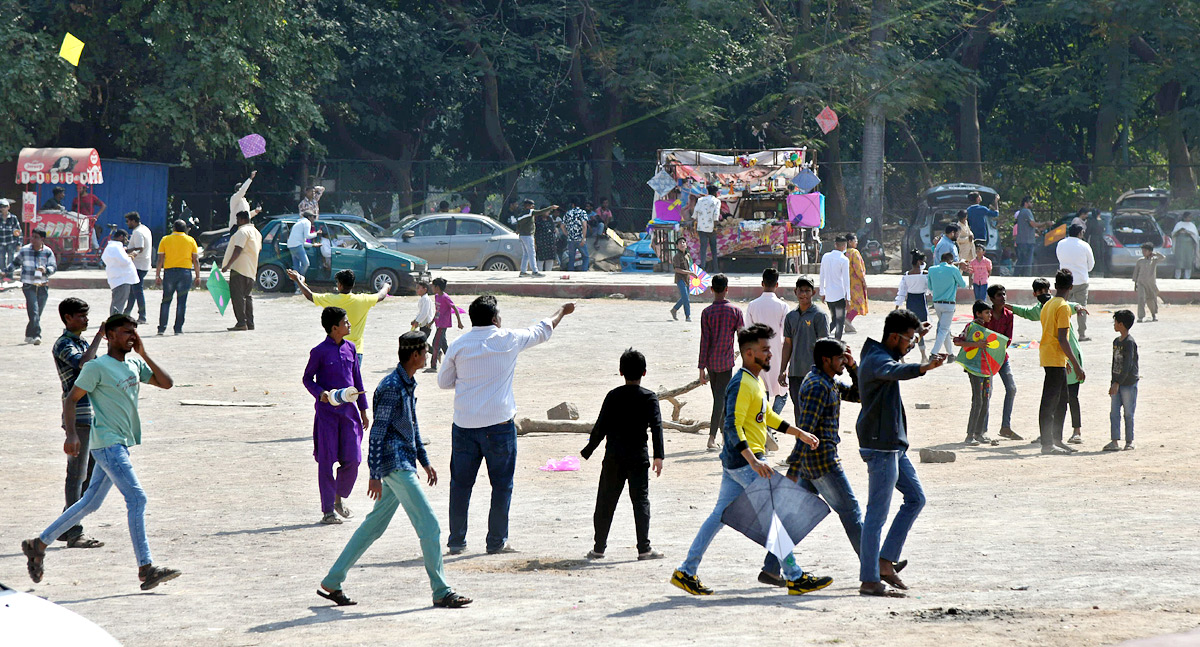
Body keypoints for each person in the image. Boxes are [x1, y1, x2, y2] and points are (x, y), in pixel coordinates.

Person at [22, 313, 181, 591]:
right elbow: (71, 399)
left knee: (90, 504)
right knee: (137, 499)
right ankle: (146, 568)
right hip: (107, 443)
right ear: (108, 335)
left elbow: (166, 383)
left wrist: (144, 352)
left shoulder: (133, 362)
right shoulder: (97, 367)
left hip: (120, 442)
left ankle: (38, 544)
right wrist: (71, 434)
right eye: (124, 331)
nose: (131, 335)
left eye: (133, 331)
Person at [317, 332, 472, 609]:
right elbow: (377, 433)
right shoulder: (391, 386)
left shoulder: (406, 383)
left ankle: (333, 580)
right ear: (415, 355)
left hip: (402, 463)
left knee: (372, 528)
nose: (428, 356)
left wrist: (424, 460)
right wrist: (374, 474)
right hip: (395, 466)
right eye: (426, 352)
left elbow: (411, 426)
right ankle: (441, 590)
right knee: (430, 526)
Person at [670, 324, 825, 597]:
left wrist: (798, 432)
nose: (770, 355)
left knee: (719, 516)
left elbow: (767, 417)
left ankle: (686, 571)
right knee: (774, 517)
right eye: (765, 350)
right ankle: (795, 576)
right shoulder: (741, 382)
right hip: (745, 463)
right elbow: (731, 425)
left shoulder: (755, 381)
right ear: (749, 353)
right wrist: (753, 461)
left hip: (738, 463)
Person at [438, 297, 575, 555]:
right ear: (494, 319)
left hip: (464, 425)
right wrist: (563, 311)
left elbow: (444, 382)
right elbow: (543, 329)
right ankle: (496, 541)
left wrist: (470, 381)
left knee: (460, 485)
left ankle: (457, 541)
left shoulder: (458, 345)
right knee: (501, 485)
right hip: (499, 425)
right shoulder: (509, 338)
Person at [760, 338, 863, 588]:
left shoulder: (827, 380)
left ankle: (771, 569)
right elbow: (805, 429)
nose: (842, 361)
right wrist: (793, 471)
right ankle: (875, 565)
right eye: (839, 358)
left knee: (794, 518)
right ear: (826, 360)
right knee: (851, 512)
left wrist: (853, 367)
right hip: (822, 461)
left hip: (812, 463)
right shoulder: (817, 385)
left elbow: (859, 395)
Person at [857, 309, 945, 597]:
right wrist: (922, 368)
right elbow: (894, 370)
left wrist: (918, 334)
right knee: (876, 515)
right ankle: (870, 579)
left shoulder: (883, 352)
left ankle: (885, 561)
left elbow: (896, 361)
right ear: (893, 337)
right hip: (881, 446)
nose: (911, 344)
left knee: (916, 498)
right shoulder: (877, 360)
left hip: (894, 445)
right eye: (909, 339)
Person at [580, 348, 665, 561]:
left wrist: (588, 450)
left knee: (605, 501)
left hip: (614, 458)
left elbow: (601, 427)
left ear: (621, 372)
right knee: (641, 502)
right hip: (638, 458)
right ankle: (644, 549)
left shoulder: (613, 396)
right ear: (644, 372)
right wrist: (659, 456)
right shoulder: (649, 398)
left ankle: (599, 548)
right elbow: (656, 427)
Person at [303, 307, 369, 525]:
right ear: (334, 328)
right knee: (326, 461)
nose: (349, 325)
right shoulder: (319, 352)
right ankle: (328, 510)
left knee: (354, 459)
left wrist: (363, 410)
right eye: (346, 322)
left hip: (349, 414)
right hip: (327, 415)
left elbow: (357, 381)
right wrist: (320, 393)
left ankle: (339, 497)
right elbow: (307, 379)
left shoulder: (351, 348)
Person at [51, 297, 106, 549]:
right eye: (80, 316)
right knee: (76, 475)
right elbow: (83, 364)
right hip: (78, 416)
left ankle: (66, 524)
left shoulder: (80, 341)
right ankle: (74, 531)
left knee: (90, 475)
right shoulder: (64, 344)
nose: (85, 319)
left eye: (86, 315)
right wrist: (98, 337)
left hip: (91, 414)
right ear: (67, 318)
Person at [290, 268, 389, 364]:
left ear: (340, 285)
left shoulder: (331, 299)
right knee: (352, 380)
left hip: (336, 349)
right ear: (353, 284)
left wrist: (298, 280)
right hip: (356, 350)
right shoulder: (363, 300)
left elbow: (310, 296)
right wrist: (386, 286)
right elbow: (381, 295)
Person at [1037, 269, 1086, 455]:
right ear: (1071, 287)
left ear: (1056, 286)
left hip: (1052, 356)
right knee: (1050, 402)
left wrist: (1065, 359)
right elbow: (1063, 338)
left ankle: (1056, 439)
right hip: (1054, 357)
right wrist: (1076, 364)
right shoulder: (1064, 307)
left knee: (1062, 399)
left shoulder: (1049, 304)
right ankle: (1048, 444)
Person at [698, 273, 744, 451]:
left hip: (711, 363)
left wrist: (701, 368)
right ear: (726, 289)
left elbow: (704, 341)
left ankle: (723, 437)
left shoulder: (707, 312)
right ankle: (712, 438)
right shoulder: (735, 311)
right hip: (726, 362)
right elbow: (742, 337)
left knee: (719, 398)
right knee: (721, 400)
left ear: (711, 290)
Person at [779, 277, 831, 412]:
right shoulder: (791, 316)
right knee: (798, 411)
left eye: (807, 291)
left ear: (813, 293)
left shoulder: (819, 315)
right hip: (795, 373)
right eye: (801, 290)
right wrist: (783, 369)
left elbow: (824, 346)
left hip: (813, 373)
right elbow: (787, 344)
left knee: (813, 413)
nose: (803, 294)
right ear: (795, 292)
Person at [747, 268, 791, 414]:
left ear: (762, 283)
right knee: (783, 393)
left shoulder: (752, 305)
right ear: (777, 285)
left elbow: (748, 332)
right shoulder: (783, 306)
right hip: (777, 354)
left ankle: (764, 424)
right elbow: (786, 335)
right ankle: (771, 424)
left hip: (757, 355)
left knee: (762, 392)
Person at [954, 300, 996, 446]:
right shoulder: (971, 327)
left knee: (986, 399)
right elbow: (958, 341)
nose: (989, 315)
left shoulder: (986, 327)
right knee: (977, 401)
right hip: (974, 369)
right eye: (986, 312)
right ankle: (970, 435)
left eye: (990, 312)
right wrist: (976, 345)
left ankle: (979, 433)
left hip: (986, 369)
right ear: (978, 314)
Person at [3, 228, 55, 344]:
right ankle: (37, 335)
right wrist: (5, 272)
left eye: (36, 237)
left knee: (38, 312)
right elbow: (15, 263)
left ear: (42, 239)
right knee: (34, 309)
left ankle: (29, 334)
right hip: (28, 284)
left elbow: (53, 266)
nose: (33, 239)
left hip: (42, 284)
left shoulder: (48, 252)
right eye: (32, 237)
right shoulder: (25, 250)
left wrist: (45, 270)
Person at [984, 285, 1022, 440]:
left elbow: (1008, 339)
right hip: (986, 358)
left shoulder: (1008, 315)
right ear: (992, 299)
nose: (1003, 297)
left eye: (1004, 294)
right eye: (999, 295)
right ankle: (983, 430)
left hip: (1001, 357)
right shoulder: (987, 314)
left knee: (1011, 388)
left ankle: (1005, 426)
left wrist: (998, 347)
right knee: (987, 393)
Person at [155, 220, 201, 335]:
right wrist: (197, 276)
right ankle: (178, 329)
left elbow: (160, 259)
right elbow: (195, 260)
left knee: (166, 301)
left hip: (169, 272)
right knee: (181, 302)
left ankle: (162, 328)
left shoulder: (165, 239)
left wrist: (158, 275)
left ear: (173, 228)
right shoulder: (190, 240)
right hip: (185, 272)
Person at [221, 211, 262, 331]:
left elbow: (238, 249)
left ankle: (241, 323)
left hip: (239, 268)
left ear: (243, 220)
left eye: (238, 220)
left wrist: (227, 265)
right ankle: (250, 323)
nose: (237, 223)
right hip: (251, 269)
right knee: (247, 297)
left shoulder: (242, 232)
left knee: (237, 296)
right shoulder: (257, 233)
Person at [1106, 310, 1138, 452]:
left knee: (1128, 413)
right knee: (1114, 413)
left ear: (1122, 325)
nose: (1114, 325)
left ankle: (1129, 441)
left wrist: (1117, 383)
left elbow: (1127, 365)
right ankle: (1114, 441)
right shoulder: (1116, 342)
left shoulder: (1130, 343)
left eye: (1116, 322)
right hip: (1117, 383)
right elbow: (1115, 364)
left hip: (1128, 383)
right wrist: (1113, 382)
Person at [1056, 224, 1095, 340]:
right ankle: (1082, 334)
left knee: (1061, 307)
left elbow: (1059, 258)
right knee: (1081, 308)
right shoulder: (1084, 245)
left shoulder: (1061, 244)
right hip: (1081, 281)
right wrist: (1083, 270)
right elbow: (1091, 265)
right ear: (1080, 233)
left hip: (1064, 280)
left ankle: (1060, 332)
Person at [927, 251, 966, 359]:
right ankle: (934, 353)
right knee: (944, 329)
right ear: (951, 261)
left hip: (936, 303)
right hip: (949, 304)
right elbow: (963, 284)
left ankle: (951, 354)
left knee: (945, 329)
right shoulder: (953, 269)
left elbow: (930, 286)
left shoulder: (931, 269)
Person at [894, 250, 931, 362]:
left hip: (911, 301)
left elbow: (902, 292)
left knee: (909, 329)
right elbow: (930, 290)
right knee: (921, 330)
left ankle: (902, 355)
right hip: (921, 301)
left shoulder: (906, 275)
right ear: (920, 262)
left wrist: (897, 305)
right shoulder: (925, 275)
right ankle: (923, 355)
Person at [428, 277, 464, 372]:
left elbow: (455, 308)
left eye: (433, 286)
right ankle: (454, 363)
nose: (431, 288)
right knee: (444, 345)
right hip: (438, 323)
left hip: (443, 325)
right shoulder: (436, 296)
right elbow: (437, 311)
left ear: (437, 287)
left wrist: (459, 322)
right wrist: (432, 322)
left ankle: (433, 366)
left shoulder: (445, 297)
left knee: (436, 343)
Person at [819, 235, 851, 339]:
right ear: (844, 246)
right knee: (840, 320)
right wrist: (848, 298)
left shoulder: (826, 256)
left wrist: (822, 292)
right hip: (840, 294)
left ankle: (824, 335)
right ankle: (836, 341)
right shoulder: (844, 259)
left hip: (829, 294)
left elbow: (822, 275)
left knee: (834, 319)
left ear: (835, 244)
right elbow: (846, 281)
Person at [101, 229, 139, 316]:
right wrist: (132, 256)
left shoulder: (111, 247)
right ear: (121, 237)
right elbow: (125, 261)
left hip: (116, 279)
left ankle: (114, 321)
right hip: (122, 279)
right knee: (118, 304)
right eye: (126, 238)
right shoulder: (116, 247)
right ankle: (115, 323)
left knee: (117, 302)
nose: (127, 241)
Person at [124, 212, 153, 324]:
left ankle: (142, 316)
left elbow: (140, 247)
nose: (127, 224)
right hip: (144, 264)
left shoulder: (137, 232)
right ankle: (127, 313)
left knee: (137, 291)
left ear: (133, 221)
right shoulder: (145, 229)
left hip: (138, 265)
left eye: (128, 221)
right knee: (133, 291)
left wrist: (127, 251)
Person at [516, 199, 556, 277]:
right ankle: (535, 271)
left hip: (522, 235)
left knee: (526, 254)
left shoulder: (521, 214)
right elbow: (540, 212)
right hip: (528, 235)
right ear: (527, 206)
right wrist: (551, 207)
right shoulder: (530, 212)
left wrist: (517, 230)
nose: (533, 207)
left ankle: (523, 271)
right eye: (532, 205)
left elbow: (518, 224)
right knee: (532, 253)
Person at [1014, 196, 1047, 276]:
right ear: (1026, 203)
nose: (1032, 204)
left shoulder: (1021, 212)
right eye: (1031, 202)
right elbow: (1033, 224)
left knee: (1021, 261)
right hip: (1027, 242)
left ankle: (1015, 276)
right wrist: (1046, 223)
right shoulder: (1027, 211)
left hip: (1021, 241)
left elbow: (1029, 227)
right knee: (1027, 263)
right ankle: (1026, 278)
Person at [1132, 242, 1165, 322]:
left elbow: (1163, 257)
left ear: (1150, 251)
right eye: (1142, 251)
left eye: (1145, 251)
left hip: (1151, 284)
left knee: (1151, 299)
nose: (1143, 252)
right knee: (1141, 298)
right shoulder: (1140, 261)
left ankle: (1154, 314)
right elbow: (1136, 273)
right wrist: (1135, 283)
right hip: (1141, 283)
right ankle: (1141, 316)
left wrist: (1154, 254)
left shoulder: (1154, 260)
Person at [844, 233, 869, 334]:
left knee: (851, 302)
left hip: (846, 281)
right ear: (849, 242)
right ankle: (848, 320)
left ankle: (848, 325)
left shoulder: (843, 252)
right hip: (856, 282)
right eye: (855, 240)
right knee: (858, 303)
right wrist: (863, 280)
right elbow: (858, 268)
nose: (857, 242)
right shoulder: (854, 252)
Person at [693, 185, 721, 271]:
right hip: (711, 228)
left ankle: (703, 268)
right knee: (713, 249)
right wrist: (716, 226)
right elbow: (716, 215)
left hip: (701, 227)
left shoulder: (700, 200)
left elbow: (695, 213)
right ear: (715, 193)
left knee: (703, 248)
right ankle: (715, 268)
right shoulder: (716, 201)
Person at [287, 211, 318, 282]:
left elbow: (303, 242)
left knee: (296, 267)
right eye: (314, 217)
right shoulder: (307, 222)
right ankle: (301, 278)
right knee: (306, 264)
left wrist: (313, 245)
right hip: (297, 246)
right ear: (309, 217)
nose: (314, 219)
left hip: (291, 246)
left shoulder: (299, 222)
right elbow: (307, 236)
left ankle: (298, 288)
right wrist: (316, 233)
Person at [560, 203, 590, 272]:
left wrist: (567, 234)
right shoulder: (582, 212)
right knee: (585, 256)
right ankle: (584, 271)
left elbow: (562, 226)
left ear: (572, 204)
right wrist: (583, 238)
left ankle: (570, 272)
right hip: (579, 238)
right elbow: (584, 226)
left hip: (570, 239)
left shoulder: (568, 213)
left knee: (571, 258)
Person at [669, 235, 693, 322]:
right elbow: (677, 269)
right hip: (680, 279)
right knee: (686, 298)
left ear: (686, 244)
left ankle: (674, 309)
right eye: (680, 243)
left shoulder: (687, 255)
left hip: (687, 279)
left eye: (683, 242)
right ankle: (688, 316)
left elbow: (689, 266)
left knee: (684, 297)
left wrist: (692, 274)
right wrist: (689, 273)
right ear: (677, 246)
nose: (682, 244)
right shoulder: (676, 257)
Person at [1171, 213, 1199, 279]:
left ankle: (1187, 277)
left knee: (1188, 261)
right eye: (1189, 217)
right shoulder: (1179, 224)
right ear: (1184, 217)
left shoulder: (1192, 225)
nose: (1190, 218)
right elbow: (1173, 234)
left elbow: (1195, 235)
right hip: (1180, 245)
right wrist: (1179, 231)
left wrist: (1189, 232)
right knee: (1179, 260)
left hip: (1189, 245)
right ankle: (1177, 276)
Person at [1086, 209, 1111, 278]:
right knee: (1100, 254)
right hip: (1101, 239)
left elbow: (1087, 232)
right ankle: (1100, 270)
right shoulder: (1102, 222)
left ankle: (1094, 269)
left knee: (1094, 253)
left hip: (1093, 239)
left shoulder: (1090, 222)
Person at [0, 198, 24, 270]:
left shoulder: (13, 218)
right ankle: (2, 275)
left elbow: (18, 231)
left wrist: (19, 244)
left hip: (11, 242)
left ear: (8, 207)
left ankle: (9, 275)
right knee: (1, 259)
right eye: (1, 207)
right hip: (1, 243)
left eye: (4, 206)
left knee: (11, 259)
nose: (3, 208)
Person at [534, 207, 560, 273]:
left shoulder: (550, 219)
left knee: (550, 259)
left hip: (550, 243)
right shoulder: (537, 221)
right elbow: (535, 233)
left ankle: (548, 273)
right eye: (547, 211)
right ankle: (539, 272)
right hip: (541, 243)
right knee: (540, 260)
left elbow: (553, 229)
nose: (548, 213)